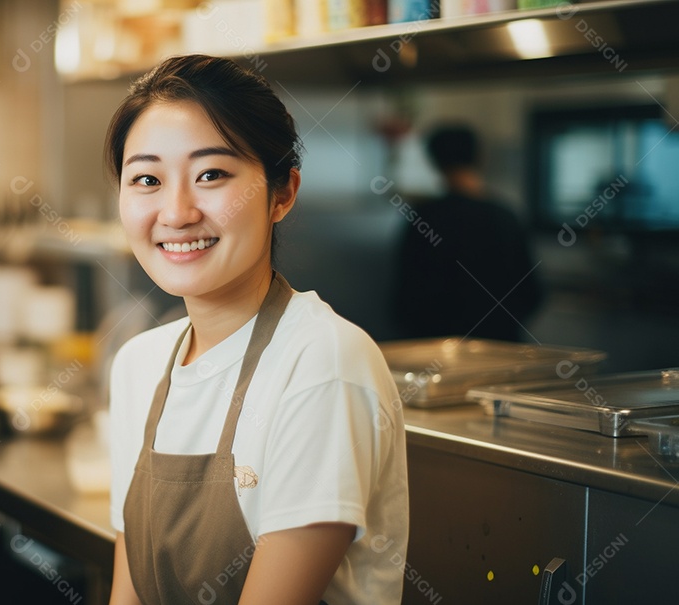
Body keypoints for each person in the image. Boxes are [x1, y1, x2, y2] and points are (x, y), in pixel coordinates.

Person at [105, 55, 409, 605]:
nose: (175, 213)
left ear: (282, 193)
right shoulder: (138, 365)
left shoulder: (323, 362)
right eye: (147, 179)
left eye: (212, 175)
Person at [392, 124, 544, 342]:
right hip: (502, 346)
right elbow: (531, 293)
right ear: (481, 157)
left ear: (433, 162)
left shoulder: (425, 218)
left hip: (438, 348)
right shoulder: (506, 216)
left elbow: (407, 298)